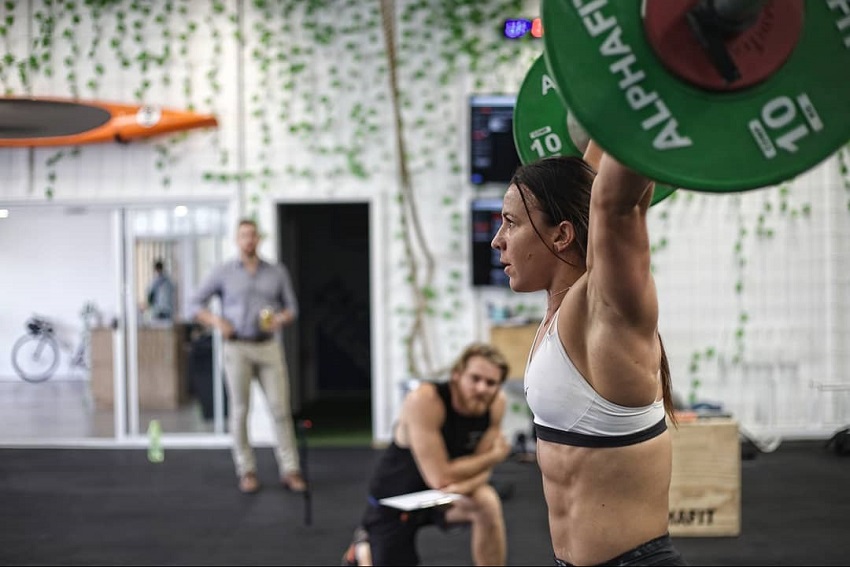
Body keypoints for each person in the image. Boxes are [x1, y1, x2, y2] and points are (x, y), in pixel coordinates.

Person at [489, 142, 687, 566]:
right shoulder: (560, 314)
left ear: (561, 234)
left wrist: (643, 95)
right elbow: (592, 174)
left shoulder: (605, 311)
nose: (496, 241)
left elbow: (615, 204)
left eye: (510, 223)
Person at [343, 343, 513, 566]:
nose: (482, 388)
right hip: (397, 500)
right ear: (456, 376)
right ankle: (363, 549)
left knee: (487, 502)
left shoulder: (496, 404)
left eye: (491, 383)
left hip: (446, 496)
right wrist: (495, 456)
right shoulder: (424, 400)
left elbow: (480, 470)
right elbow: (441, 477)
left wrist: (462, 487)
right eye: (475, 379)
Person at [190, 218, 306, 494]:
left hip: (268, 346)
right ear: (236, 239)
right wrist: (218, 323)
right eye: (244, 236)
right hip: (236, 347)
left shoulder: (276, 272)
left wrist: (279, 319)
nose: (249, 240)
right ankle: (247, 471)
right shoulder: (223, 272)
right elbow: (194, 304)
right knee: (240, 411)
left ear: (259, 239)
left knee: (280, 409)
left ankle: (290, 470)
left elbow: (292, 308)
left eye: (253, 235)